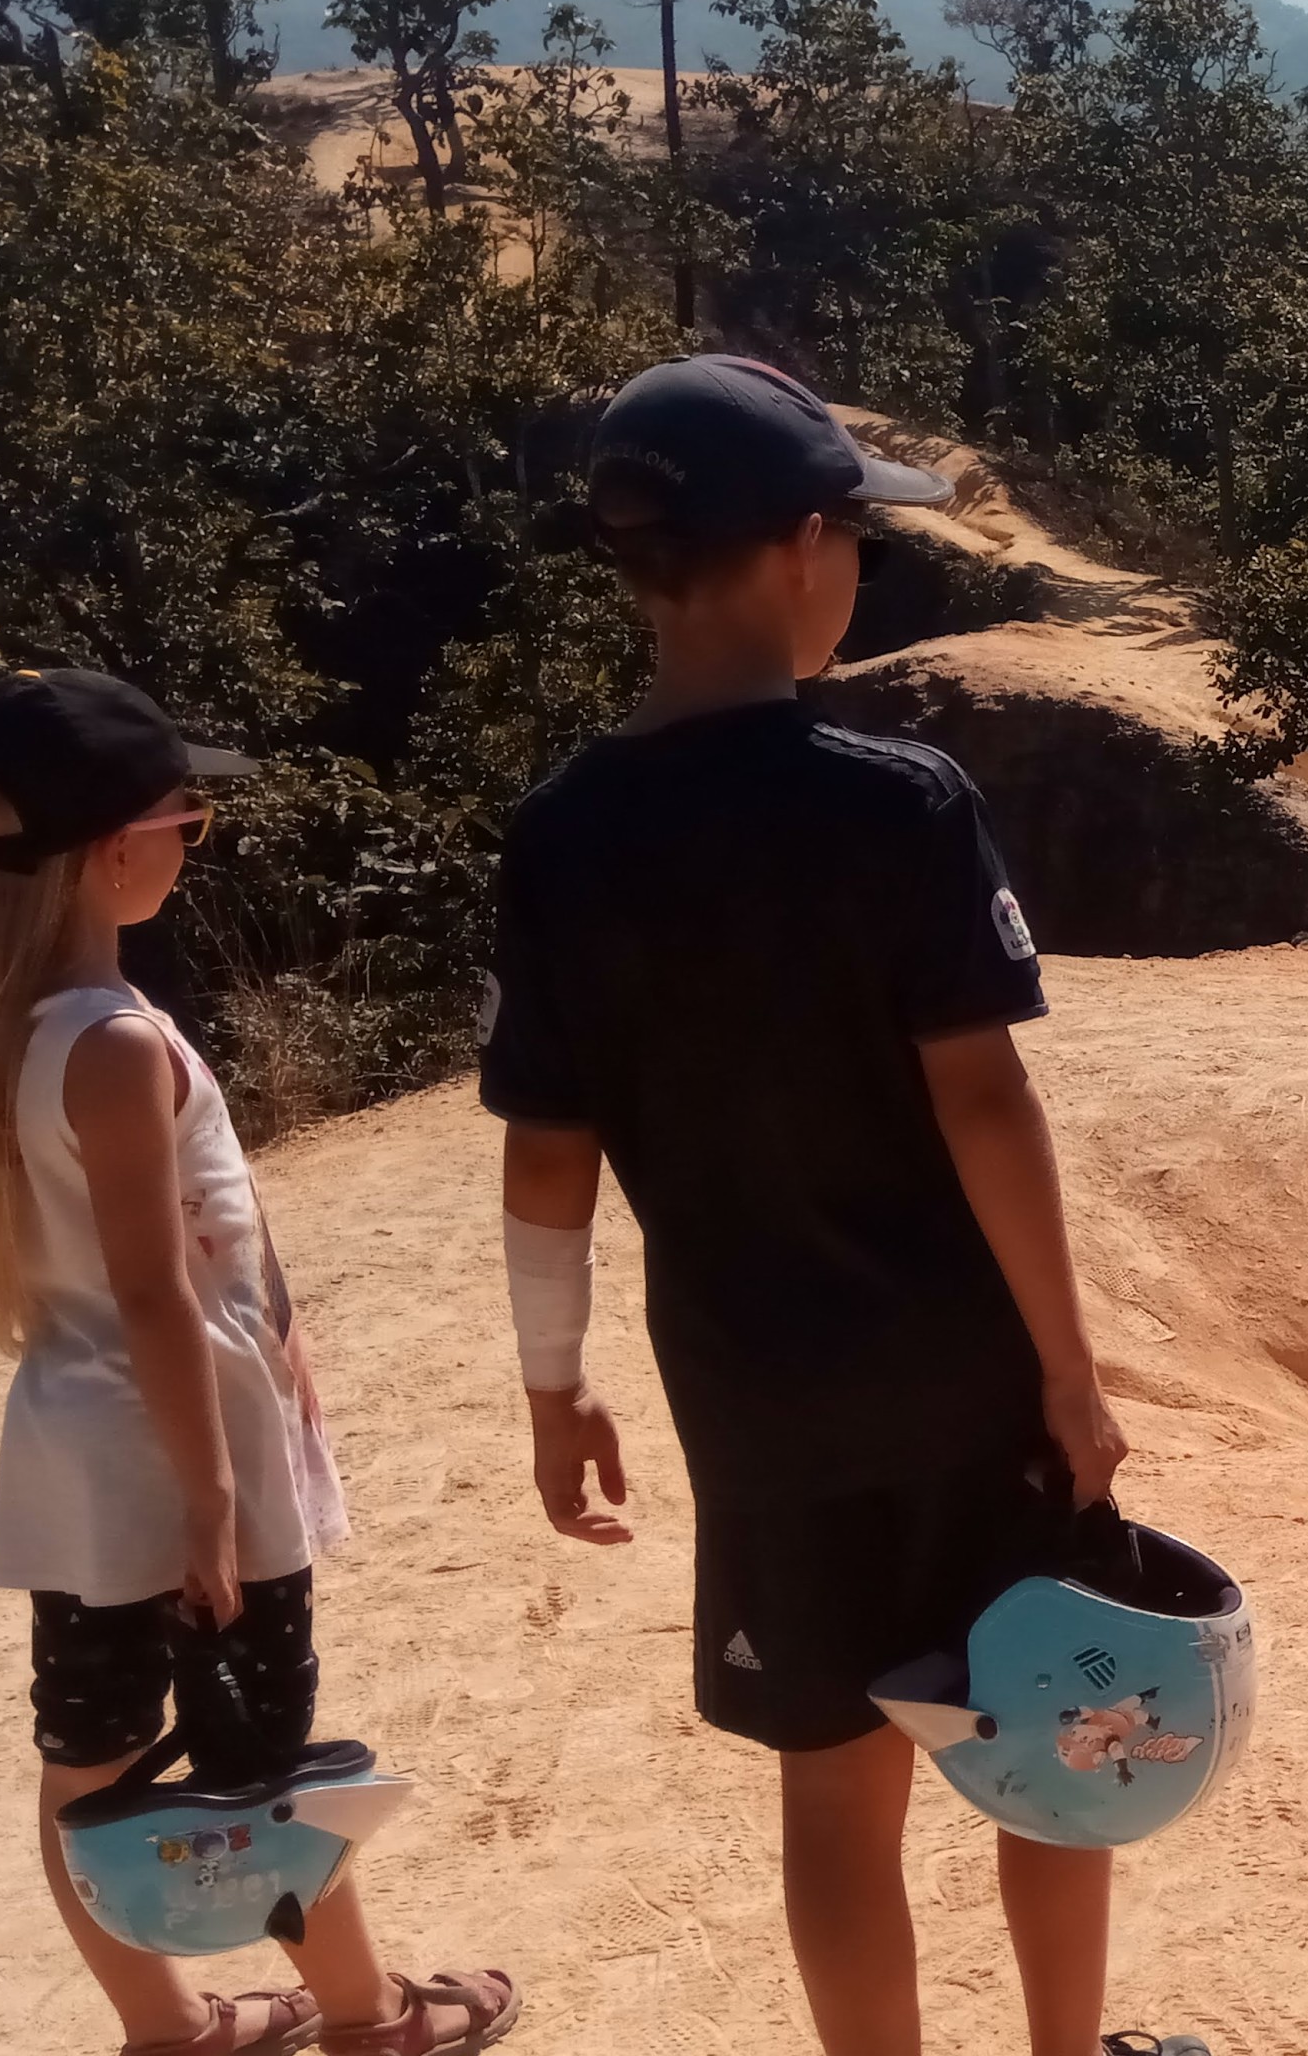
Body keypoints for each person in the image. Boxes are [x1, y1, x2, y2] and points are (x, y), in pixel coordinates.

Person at [477, 355, 1194, 2056]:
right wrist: (1070, 1371)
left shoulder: (559, 837)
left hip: (756, 1404)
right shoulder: (899, 801)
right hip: (959, 1380)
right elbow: (984, 1100)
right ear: (806, 543)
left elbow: (546, 1156)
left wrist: (552, 1382)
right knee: (1050, 1723)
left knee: (833, 1787)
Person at [0, 668, 520, 2056]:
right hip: (185, 1460)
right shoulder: (117, 1040)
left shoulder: (11, 1022)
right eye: (185, 817)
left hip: (79, 1463)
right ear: (113, 850)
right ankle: (369, 2016)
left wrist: (282, 1325)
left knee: (88, 1766)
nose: (194, 838)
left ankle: (172, 2028)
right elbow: (156, 1295)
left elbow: (177, 1248)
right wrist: (212, 1503)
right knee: (266, 1763)